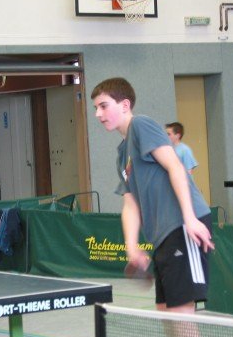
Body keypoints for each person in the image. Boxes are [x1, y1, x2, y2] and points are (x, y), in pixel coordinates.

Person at [91, 77, 214, 319]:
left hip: (182, 225)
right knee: (165, 311)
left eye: (103, 106)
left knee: (180, 311)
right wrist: (132, 247)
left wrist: (189, 218)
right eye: (96, 108)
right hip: (161, 236)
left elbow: (175, 166)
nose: (98, 114)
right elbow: (130, 204)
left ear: (125, 105)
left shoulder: (141, 125)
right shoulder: (122, 154)